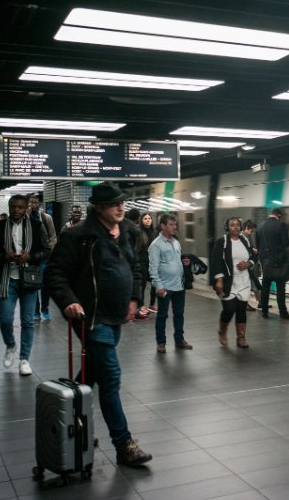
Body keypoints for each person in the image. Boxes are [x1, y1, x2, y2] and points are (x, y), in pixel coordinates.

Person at [46, 182, 153, 467]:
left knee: (90, 374)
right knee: (111, 378)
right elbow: (55, 273)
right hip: (90, 319)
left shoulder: (129, 232)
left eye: (123, 203)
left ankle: (73, 422)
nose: (121, 208)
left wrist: (134, 298)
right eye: (114, 204)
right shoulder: (78, 236)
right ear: (99, 207)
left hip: (117, 315)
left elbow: (135, 268)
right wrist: (68, 301)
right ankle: (124, 445)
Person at [0, 194, 50, 376]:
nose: (16, 210)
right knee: (6, 320)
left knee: (27, 322)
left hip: (29, 280)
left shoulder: (37, 226)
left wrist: (30, 257)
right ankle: (10, 345)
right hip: (9, 280)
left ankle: (25, 359)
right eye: (13, 206)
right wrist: (4, 256)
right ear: (9, 207)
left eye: (20, 207)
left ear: (26, 208)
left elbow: (46, 251)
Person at [148, 213, 192, 353]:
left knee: (179, 314)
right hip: (165, 287)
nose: (175, 227)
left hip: (179, 285)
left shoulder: (176, 242)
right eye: (171, 224)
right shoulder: (156, 245)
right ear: (163, 226)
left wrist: (184, 262)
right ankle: (161, 342)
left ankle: (179, 340)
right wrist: (158, 286)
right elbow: (153, 268)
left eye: (175, 224)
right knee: (162, 315)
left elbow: (176, 261)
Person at [210, 217, 255, 348]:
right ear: (227, 227)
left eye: (237, 225)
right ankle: (222, 330)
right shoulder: (222, 242)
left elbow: (254, 255)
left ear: (241, 227)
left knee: (241, 309)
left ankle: (241, 338)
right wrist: (219, 280)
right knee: (229, 309)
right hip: (228, 282)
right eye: (232, 225)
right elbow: (216, 261)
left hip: (244, 281)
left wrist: (248, 264)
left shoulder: (245, 240)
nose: (235, 227)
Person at [256, 208, 289, 320]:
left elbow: (258, 246)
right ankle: (283, 313)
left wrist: (263, 259)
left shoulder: (260, 226)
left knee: (265, 287)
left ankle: (264, 311)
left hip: (266, 263)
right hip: (279, 262)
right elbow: (286, 243)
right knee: (280, 289)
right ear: (279, 215)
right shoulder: (281, 225)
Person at [28, 194, 57, 322]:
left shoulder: (46, 218)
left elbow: (53, 236)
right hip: (31, 257)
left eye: (35, 202)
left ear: (39, 204)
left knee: (45, 284)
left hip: (45, 257)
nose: (32, 205)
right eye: (30, 202)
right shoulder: (25, 218)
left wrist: (49, 250)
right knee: (33, 284)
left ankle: (45, 308)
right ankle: (35, 312)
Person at [137, 212, 158, 314]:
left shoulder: (154, 233)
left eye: (149, 218)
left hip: (153, 262)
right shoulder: (139, 232)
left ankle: (152, 304)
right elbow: (137, 249)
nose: (148, 220)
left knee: (155, 283)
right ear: (141, 220)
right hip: (142, 262)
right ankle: (141, 305)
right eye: (145, 218)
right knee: (143, 284)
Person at [241, 220, 262, 311]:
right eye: (251, 231)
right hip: (246, 266)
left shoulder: (247, 237)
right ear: (246, 229)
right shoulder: (242, 238)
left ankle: (260, 302)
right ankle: (244, 304)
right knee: (247, 286)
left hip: (250, 266)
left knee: (255, 284)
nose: (252, 233)